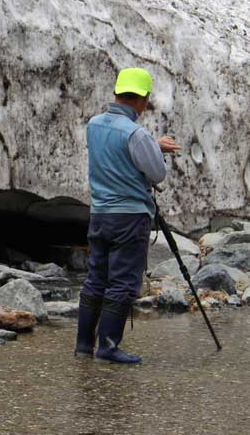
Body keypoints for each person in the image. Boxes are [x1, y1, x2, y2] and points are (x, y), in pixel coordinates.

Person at [75, 67, 181, 364]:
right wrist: (154, 148)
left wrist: (150, 144)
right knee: (122, 282)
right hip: (130, 217)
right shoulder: (136, 133)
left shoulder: (94, 125)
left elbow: (116, 151)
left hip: (100, 215)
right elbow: (156, 173)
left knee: (96, 278)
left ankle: (84, 345)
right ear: (143, 99)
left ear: (117, 93)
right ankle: (108, 347)